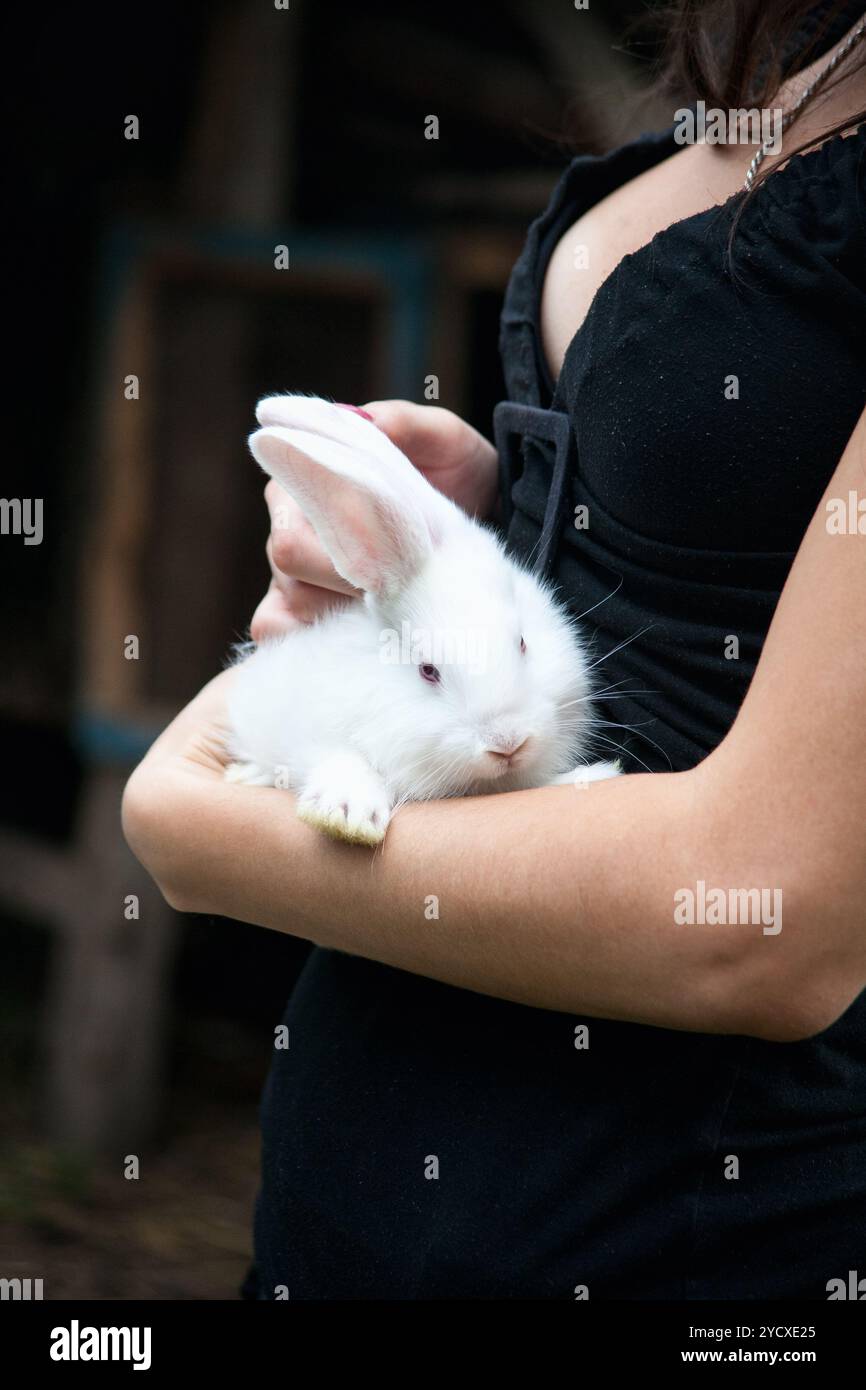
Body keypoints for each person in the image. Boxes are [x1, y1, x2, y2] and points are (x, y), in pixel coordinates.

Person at [123, 0, 866, 1299]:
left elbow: (771, 916)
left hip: (682, 1245)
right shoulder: (804, 58)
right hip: (336, 1221)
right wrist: (493, 519)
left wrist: (196, 821)